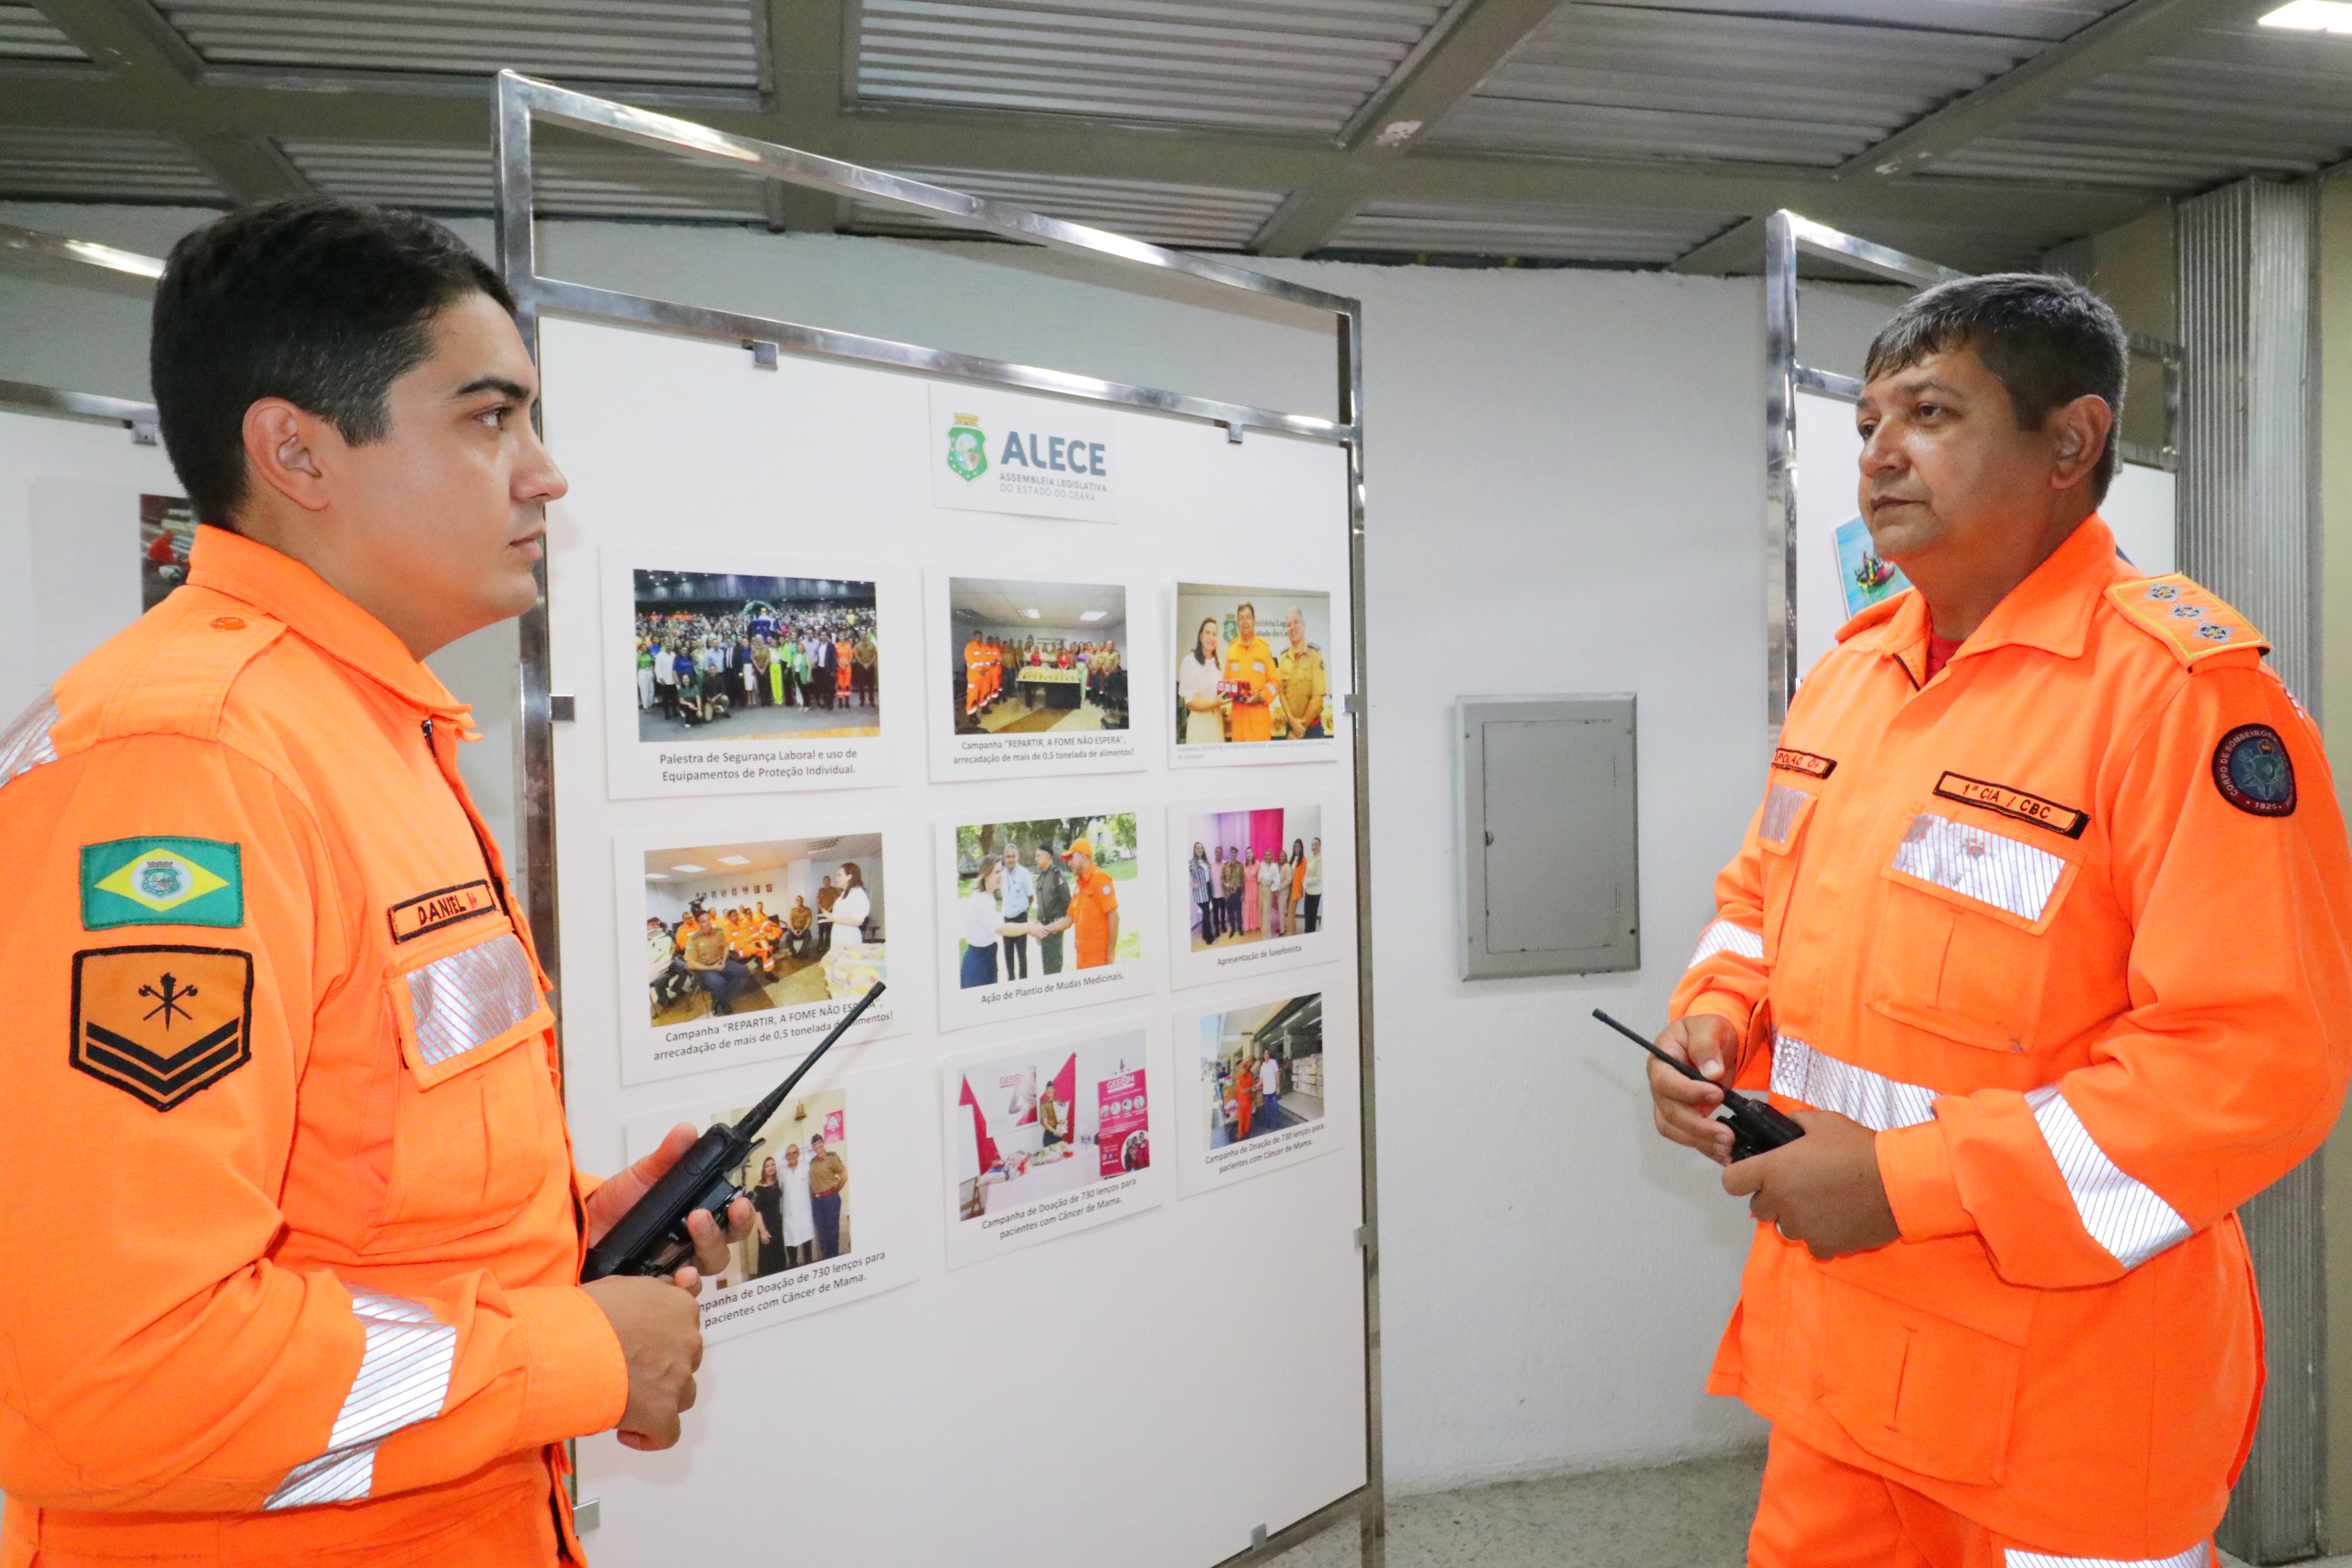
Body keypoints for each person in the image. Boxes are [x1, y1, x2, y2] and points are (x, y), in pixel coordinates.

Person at [0, 196, 737, 1565]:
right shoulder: (184, 763)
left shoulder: (359, 734)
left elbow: (355, 1192)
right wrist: (574, 1351)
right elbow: (119, 1368)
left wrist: (580, 1238)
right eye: (487, 417)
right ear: (296, 451)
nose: (544, 474)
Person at [1648, 273, 2352, 1567]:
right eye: (1867, 423)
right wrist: (1714, 1019)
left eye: (1929, 411)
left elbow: (2253, 1064)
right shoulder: (1854, 677)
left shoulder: (2182, 702)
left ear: (2072, 443)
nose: (1879, 454)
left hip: (2067, 1406)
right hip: (1842, 1371)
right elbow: (1755, 899)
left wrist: (1906, 1180)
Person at [959, 860, 1033, 988]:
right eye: (997, 872)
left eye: (1002, 872)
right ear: (987, 875)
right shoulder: (980, 900)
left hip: (989, 957)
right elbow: (1002, 929)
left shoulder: (989, 896)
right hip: (977, 962)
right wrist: (1030, 927)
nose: (1001, 876)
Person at [1221, 602, 1276, 743]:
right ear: (1237, 623)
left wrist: (1262, 695)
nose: (1245, 622)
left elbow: (1275, 683)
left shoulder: (1264, 650)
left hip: (1259, 725)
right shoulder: (1231, 650)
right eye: (1241, 618)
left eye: (1248, 617)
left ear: (1254, 621)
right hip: (1239, 725)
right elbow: (1226, 682)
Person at [1066, 837, 1122, 971]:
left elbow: (1114, 917)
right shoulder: (1079, 886)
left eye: (1072, 858)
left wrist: (1110, 956)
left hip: (1099, 960)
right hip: (1082, 959)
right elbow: (1069, 919)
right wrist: (1044, 929)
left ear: (1083, 856)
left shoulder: (1100, 880)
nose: (1069, 863)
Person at [1273, 608, 1328, 740]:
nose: (1292, 628)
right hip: (1290, 728)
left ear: (1303, 626)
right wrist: (1292, 721)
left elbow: (1318, 697)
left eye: (1296, 622)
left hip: (1312, 731)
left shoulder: (1315, 655)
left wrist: (1299, 729)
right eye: (1288, 625)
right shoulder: (1283, 657)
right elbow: (1281, 693)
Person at [1178, 616, 1224, 744]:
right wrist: (1215, 703)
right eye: (1207, 633)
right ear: (1201, 636)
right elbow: (1190, 702)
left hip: (1216, 722)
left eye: (1214, 634)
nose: (1211, 638)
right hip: (1199, 725)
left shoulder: (1219, 664)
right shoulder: (1189, 662)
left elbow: (1220, 694)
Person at [1032, 845, 1072, 975]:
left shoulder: (1057, 876)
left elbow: (1068, 904)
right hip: (1044, 931)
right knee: (1047, 970)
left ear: (1048, 857)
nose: (1036, 859)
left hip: (1054, 931)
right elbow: (1041, 905)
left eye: (1039, 856)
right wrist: (1039, 927)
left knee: (1054, 970)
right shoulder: (1043, 877)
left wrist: (1058, 924)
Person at [806, 1135, 847, 1260]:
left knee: (832, 1231)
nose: (817, 1147)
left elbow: (844, 1176)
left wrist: (835, 1191)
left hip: (830, 1199)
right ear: (813, 1147)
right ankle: (826, 1260)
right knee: (822, 1233)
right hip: (817, 1202)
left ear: (823, 1143)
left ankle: (834, 1259)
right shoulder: (813, 1162)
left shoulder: (832, 1158)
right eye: (814, 1145)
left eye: (819, 1143)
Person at [997, 843, 1034, 981]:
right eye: (1008, 857)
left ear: (1017, 857)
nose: (1011, 859)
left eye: (1013, 856)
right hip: (1007, 919)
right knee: (1008, 954)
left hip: (1021, 918)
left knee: (1022, 954)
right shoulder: (1001, 874)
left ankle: (1024, 981)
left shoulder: (1024, 873)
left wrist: (1023, 910)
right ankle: (1011, 980)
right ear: (1004, 859)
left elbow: (1031, 897)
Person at [750, 1155, 786, 1278]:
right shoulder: (758, 1189)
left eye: (773, 1165)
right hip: (766, 1226)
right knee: (767, 1258)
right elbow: (757, 1212)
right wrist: (763, 1232)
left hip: (777, 1225)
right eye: (768, 1166)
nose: (771, 1168)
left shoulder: (777, 1184)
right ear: (764, 1169)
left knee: (779, 1256)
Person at [1190, 841, 1216, 948]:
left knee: (1207, 914)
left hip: (1208, 889)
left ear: (1203, 850)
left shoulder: (1206, 862)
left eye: (1201, 848)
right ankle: (1209, 939)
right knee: (1206, 913)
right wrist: (1191, 883)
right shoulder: (1192, 863)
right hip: (1200, 893)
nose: (1199, 850)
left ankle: (1205, 935)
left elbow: (1208, 877)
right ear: (1195, 850)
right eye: (1197, 848)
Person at [1221, 844, 1244, 938]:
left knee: (1239, 912)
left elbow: (1243, 880)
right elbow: (1222, 878)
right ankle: (1233, 928)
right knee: (1230, 912)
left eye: (1235, 853)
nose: (1234, 855)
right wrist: (1225, 884)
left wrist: (1243, 893)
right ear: (1230, 854)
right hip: (1228, 893)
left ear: (1237, 854)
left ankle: (1240, 928)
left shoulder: (1240, 866)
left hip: (1238, 892)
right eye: (1232, 853)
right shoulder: (1225, 866)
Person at [1287, 837, 1309, 935]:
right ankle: (1293, 930)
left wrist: (1301, 890)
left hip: (1297, 889)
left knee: (1291, 912)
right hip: (1289, 888)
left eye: (1298, 847)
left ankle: (1290, 934)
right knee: (1291, 912)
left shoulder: (1304, 860)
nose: (1296, 849)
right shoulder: (1292, 860)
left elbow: (1303, 877)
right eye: (1295, 847)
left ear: (1302, 848)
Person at [1302, 837, 1323, 934]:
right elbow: (1307, 872)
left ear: (1319, 847)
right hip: (1308, 891)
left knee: (1312, 918)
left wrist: (1306, 880)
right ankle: (1307, 934)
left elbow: (1318, 879)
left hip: (1315, 893)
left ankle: (1311, 937)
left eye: (1316, 845)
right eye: (1313, 844)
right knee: (1307, 916)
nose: (1314, 846)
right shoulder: (1310, 857)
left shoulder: (1320, 859)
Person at [786, 894, 814, 960]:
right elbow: (790, 922)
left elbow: (808, 922)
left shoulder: (808, 910)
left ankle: (802, 952)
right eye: (798, 900)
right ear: (796, 902)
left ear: (803, 901)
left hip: (804, 928)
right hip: (794, 928)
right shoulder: (792, 911)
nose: (800, 901)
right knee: (788, 937)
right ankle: (793, 952)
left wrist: (803, 930)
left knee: (809, 936)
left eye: (801, 900)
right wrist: (793, 931)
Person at [1259, 1052, 1282, 1131]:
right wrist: (1256, 1086)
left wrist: (1278, 1087)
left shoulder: (1273, 1062)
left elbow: (1277, 1075)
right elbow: (1261, 1079)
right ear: (1263, 1056)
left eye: (1268, 1053)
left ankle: (1278, 1125)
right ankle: (1268, 1126)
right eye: (1265, 1054)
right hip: (1266, 1092)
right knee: (1268, 1111)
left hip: (1273, 1091)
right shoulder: (1263, 1067)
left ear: (1269, 1055)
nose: (1266, 1055)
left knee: (1275, 1109)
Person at [1242, 849, 1261, 936]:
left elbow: (1260, 878)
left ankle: (1255, 925)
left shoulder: (1258, 864)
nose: (1249, 854)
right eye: (1247, 853)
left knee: (1254, 905)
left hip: (1254, 887)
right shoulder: (1244, 865)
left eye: (1250, 852)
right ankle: (1248, 925)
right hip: (1247, 887)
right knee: (1247, 905)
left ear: (1253, 853)